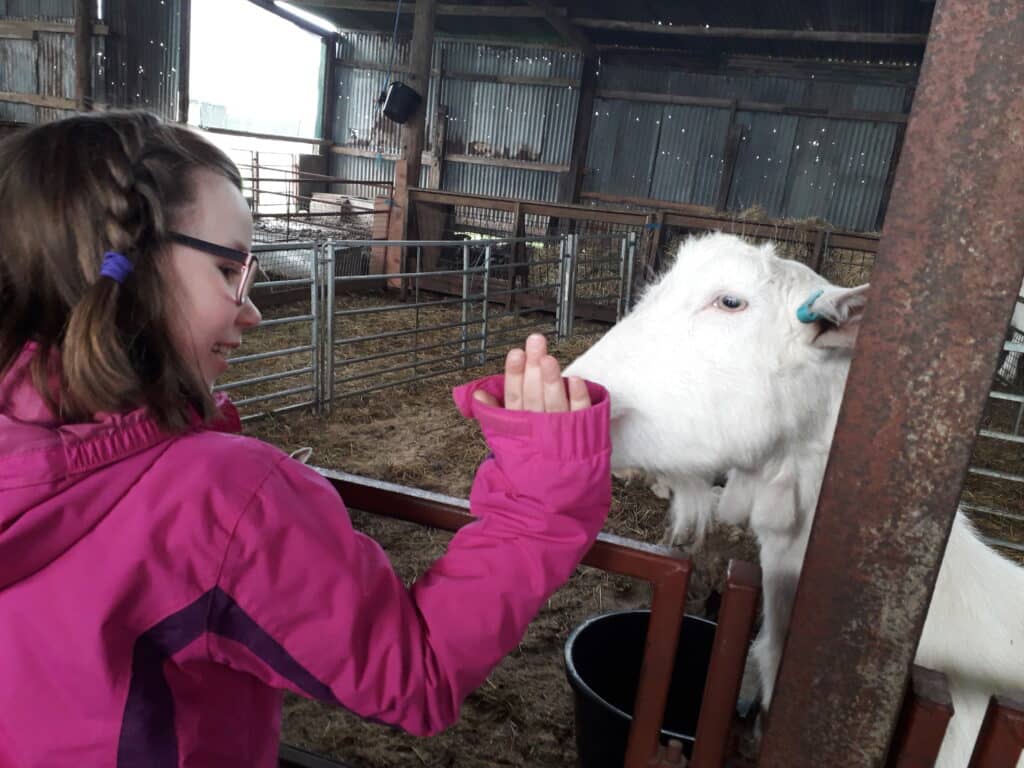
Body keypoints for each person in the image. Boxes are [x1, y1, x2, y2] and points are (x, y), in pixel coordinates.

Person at [0, 111, 611, 767]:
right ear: (129, 265)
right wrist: (540, 499)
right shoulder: (223, 500)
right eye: (230, 268)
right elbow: (417, 674)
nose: (254, 309)